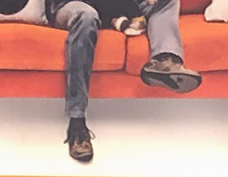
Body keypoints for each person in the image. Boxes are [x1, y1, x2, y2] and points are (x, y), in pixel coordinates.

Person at [58, 1, 200, 163]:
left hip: (116, 6)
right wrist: (133, 10)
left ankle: (165, 60)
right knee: (86, 16)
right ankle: (77, 124)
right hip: (72, 5)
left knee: (167, 1)